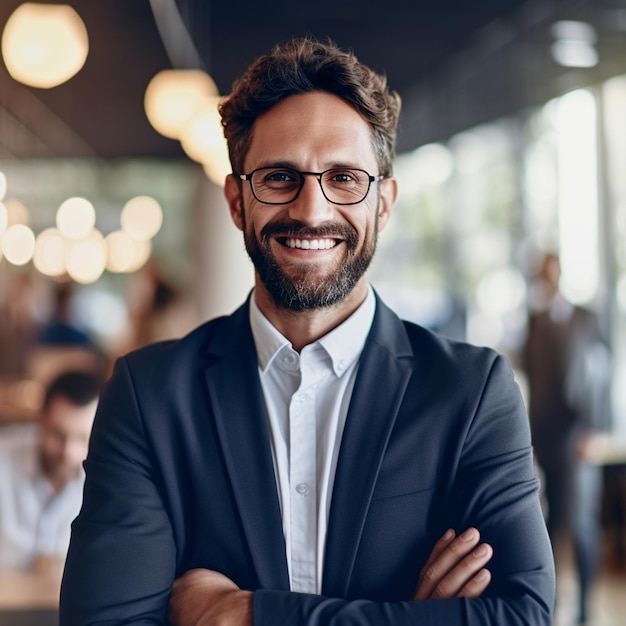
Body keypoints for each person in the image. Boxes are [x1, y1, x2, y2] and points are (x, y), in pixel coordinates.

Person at [60, 37, 555, 625]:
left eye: (344, 178)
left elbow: (521, 616)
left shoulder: (471, 392)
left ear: (384, 203)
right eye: (278, 177)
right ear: (238, 202)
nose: (312, 210)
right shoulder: (149, 394)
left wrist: (243, 614)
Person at [523, 252, 611, 625]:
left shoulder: (586, 319)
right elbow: (531, 377)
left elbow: (604, 374)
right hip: (545, 438)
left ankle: (587, 609)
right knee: (548, 521)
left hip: (579, 438)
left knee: (581, 523)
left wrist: (597, 430)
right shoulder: (535, 322)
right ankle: (554, 605)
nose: (546, 277)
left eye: (550, 270)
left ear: (559, 272)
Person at [0, 369, 102, 570]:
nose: (69, 452)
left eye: (83, 438)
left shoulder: (108, 481)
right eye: (58, 434)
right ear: (41, 419)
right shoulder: (3, 458)